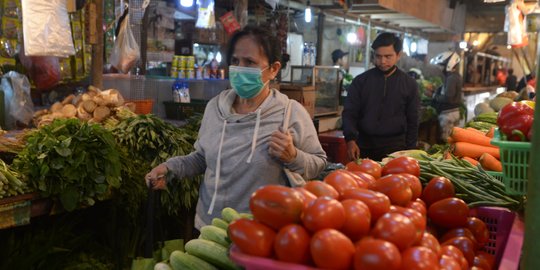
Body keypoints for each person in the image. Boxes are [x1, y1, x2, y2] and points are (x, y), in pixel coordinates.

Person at [145, 25, 327, 230]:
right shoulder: (215, 107)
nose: (239, 68)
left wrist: (293, 156)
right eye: (235, 61)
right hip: (209, 226)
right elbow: (202, 158)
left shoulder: (289, 113)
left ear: (274, 69)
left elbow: (318, 163)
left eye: (249, 62)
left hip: (261, 234)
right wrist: (169, 168)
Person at [342, 32, 420, 162]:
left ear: (398, 55)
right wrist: (350, 140)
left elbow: (413, 120)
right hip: (363, 146)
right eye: (378, 56)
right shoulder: (361, 81)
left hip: (395, 148)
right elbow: (350, 113)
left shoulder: (409, 84)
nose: (382, 61)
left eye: (388, 56)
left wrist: (410, 150)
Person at [430, 51, 463, 143]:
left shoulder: (452, 78)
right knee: (452, 139)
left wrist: (434, 96)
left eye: (442, 65)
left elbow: (448, 97)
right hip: (453, 112)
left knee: (446, 141)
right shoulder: (455, 76)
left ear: (449, 64)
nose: (441, 68)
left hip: (448, 114)